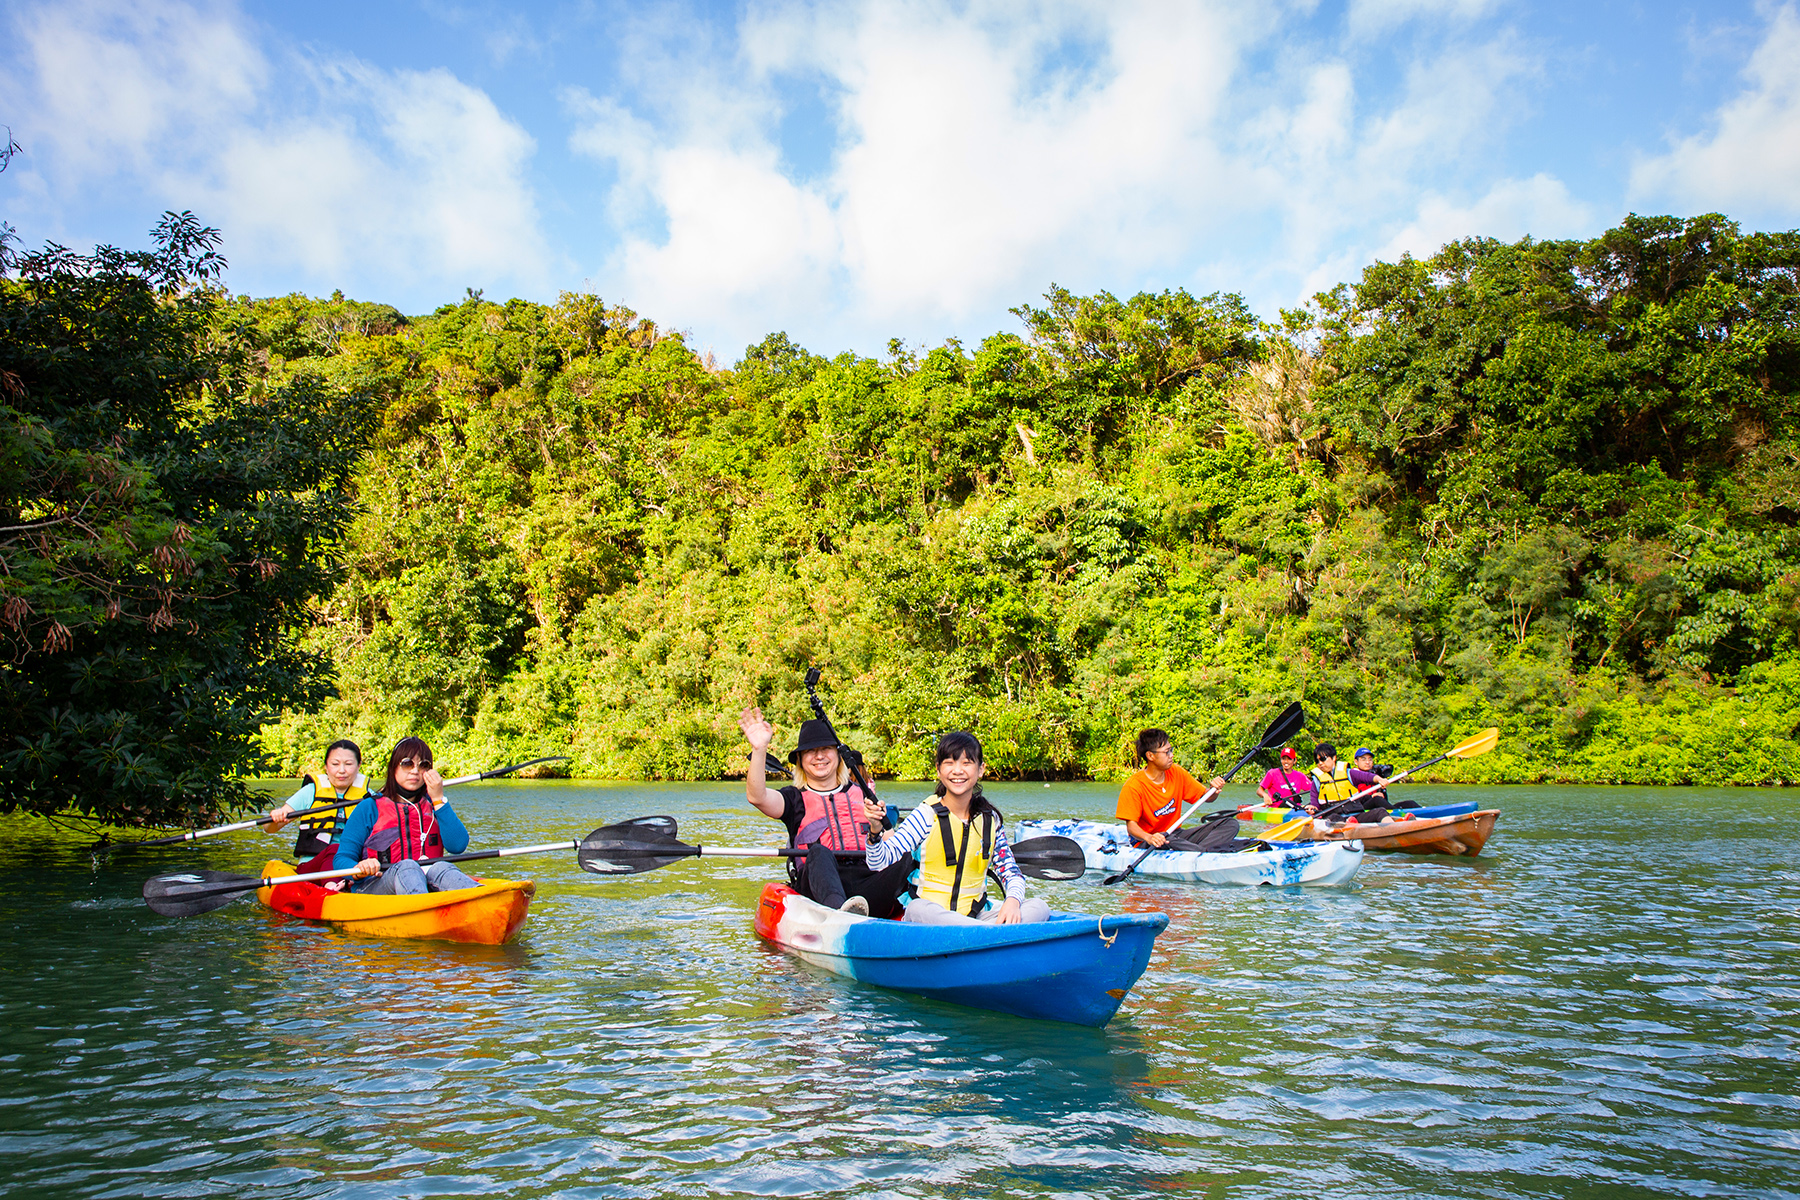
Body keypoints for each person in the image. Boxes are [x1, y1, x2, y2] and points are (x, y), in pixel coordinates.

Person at [865, 731, 1049, 925]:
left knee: (1039, 907)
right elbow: (878, 863)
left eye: (967, 763)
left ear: (981, 769)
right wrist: (875, 831)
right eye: (949, 763)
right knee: (918, 908)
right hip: (929, 920)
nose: (958, 771)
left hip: (975, 916)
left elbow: (1011, 872)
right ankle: (987, 933)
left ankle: (978, 932)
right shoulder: (925, 815)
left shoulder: (990, 820)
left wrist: (1012, 901)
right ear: (938, 770)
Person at [738, 706, 909, 916]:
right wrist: (759, 749)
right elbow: (757, 797)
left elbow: (892, 845)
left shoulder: (862, 794)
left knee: (909, 856)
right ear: (801, 760)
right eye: (810, 751)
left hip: (868, 882)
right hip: (818, 887)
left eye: (826, 749)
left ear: (838, 755)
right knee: (818, 852)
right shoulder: (794, 799)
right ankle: (840, 914)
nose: (819, 756)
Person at [332, 737, 480, 895]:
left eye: (423, 765)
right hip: (376, 885)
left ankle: (481, 898)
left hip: (426, 881)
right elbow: (341, 859)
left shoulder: (435, 805)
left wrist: (438, 799)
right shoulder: (369, 808)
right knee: (408, 867)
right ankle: (422, 906)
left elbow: (457, 846)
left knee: (441, 866)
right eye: (407, 763)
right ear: (394, 767)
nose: (415, 771)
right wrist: (358, 868)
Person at [1115, 728, 1231, 850]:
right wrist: (1149, 838)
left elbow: (1206, 797)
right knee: (1170, 840)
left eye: (1171, 750)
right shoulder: (1134, 785)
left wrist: (1213, 790)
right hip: (1150, 841)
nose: (1171, 755)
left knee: (1229, 824)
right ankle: (1199, 850)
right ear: (1150, 756)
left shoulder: (1176, 772)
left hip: (1175, 834)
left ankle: (1198, 850)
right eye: (1167, 752)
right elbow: (1131, 826)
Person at [266, 739, 367, 868]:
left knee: (341, 854)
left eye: (348, 764)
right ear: (326, 766)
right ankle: (334, 879)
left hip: (353, 865)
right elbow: (269, 828)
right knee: (334, 850)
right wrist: (276, 817)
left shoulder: (369, 797)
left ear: (358, 765)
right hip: (312, 864)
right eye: (335, 764)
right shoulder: (310, 792)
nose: (342, 770)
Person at [1310, 742, 1358, 807]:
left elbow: (1370, 777)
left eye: (1323, 759)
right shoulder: (1317, 781)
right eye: (1317, 761)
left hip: (1354, 810)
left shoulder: (1349, 773)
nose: (1320, 763)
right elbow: (1314, 804)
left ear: (1334, 758)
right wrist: (1313, 808)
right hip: (1331, 812)